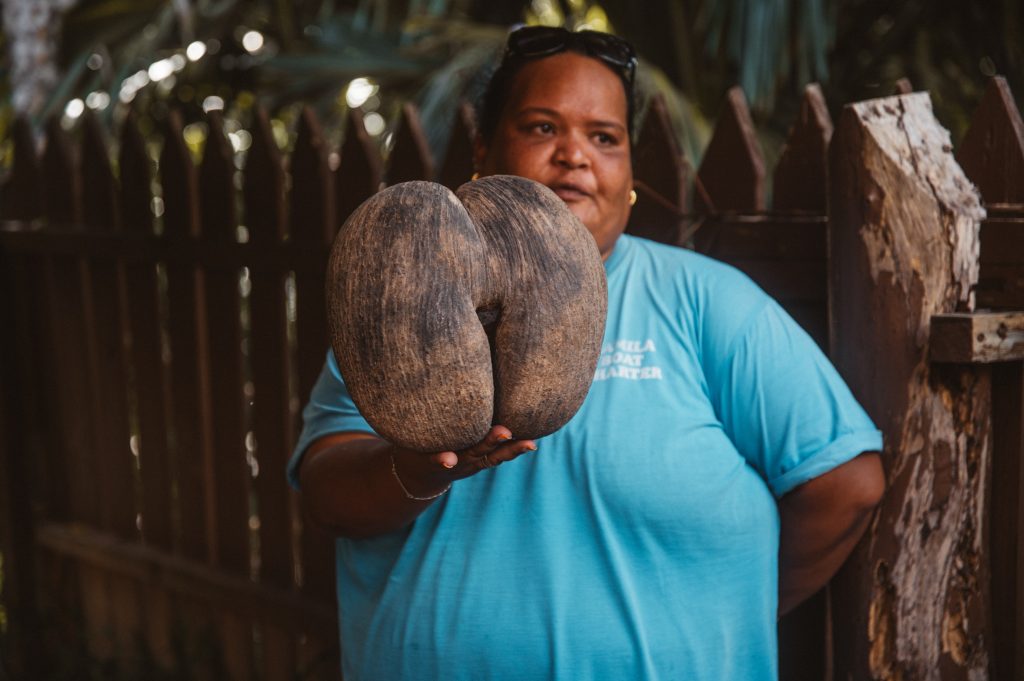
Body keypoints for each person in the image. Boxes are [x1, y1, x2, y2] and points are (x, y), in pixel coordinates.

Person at [289, 25, 885, 680]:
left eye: (605, 137)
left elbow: (845, 483)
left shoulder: (706, 303)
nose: (576, 154)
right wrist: (419, 468)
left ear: (629, 173)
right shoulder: (402, 299)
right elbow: (326, 493)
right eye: (543, 127)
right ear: (484, 153)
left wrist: (728, 614)